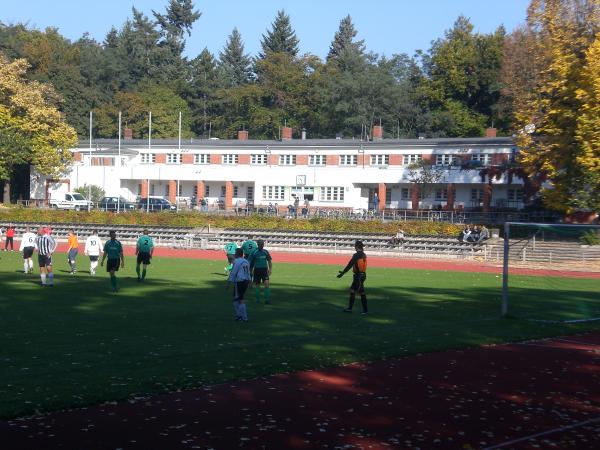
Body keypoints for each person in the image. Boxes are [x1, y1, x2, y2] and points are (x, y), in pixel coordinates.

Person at [337, 240, 368, 314]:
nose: (354, 247)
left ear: (356, 246)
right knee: (352, 290)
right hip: (361, 275)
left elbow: (350, 264)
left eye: (355, 246)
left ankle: (365, 310)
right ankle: (350, 308)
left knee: (361, 292)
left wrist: (343, 273)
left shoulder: (356, 255)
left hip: (359, 276)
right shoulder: (363, 254)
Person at [227, 248, 251, 322]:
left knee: (239, 299)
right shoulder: (246, 261)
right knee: (237, 299)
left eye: (235, 253)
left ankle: (243, 317)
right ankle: (239, 316)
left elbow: (233, 273)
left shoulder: (237, 262)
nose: (235, 254)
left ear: (238, 254)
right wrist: (250, 281)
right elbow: (248, 273)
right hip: (246, 281)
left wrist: (228, 283)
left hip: (240, 281)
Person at [248, 239, 272, 304]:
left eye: (262, 244)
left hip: (264, 270)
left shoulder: (265, 252)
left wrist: (270, 269)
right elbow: (250, 262)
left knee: (266, 284)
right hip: (257, 270)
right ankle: (257, 300)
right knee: (257, 285)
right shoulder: (254, 252)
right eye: (260, 244)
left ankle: (267, 300)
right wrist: (250, 270)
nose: (262, 245)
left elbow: (269, 261)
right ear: (258, 245)